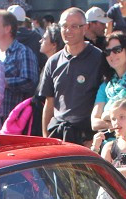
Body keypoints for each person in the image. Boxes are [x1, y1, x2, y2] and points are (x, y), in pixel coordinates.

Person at [40, 7, 103, 144]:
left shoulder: (99, 58)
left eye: (74, 26)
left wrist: (95, 139)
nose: (68, 31)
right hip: (58, 134)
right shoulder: (53, 61)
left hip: (87, 136)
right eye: (64, 26)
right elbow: (49, 103)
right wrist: (46, 137)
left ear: (85, 28)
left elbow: (106, 99)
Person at [0, 9, 39, 123]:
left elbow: (30, 82)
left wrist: (3, 82)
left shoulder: (23, 52)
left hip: (16, 120)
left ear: (7, 29)